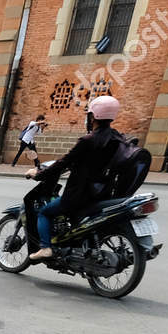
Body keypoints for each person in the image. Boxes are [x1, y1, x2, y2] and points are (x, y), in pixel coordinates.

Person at [27, 94, 124, 262]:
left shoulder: (88, 140)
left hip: (79, 194)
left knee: (44, 213)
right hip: (103, 193)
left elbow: (64, 162)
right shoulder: (118, 139)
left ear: (93, 116)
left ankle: (45, 248)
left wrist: (39, 174)